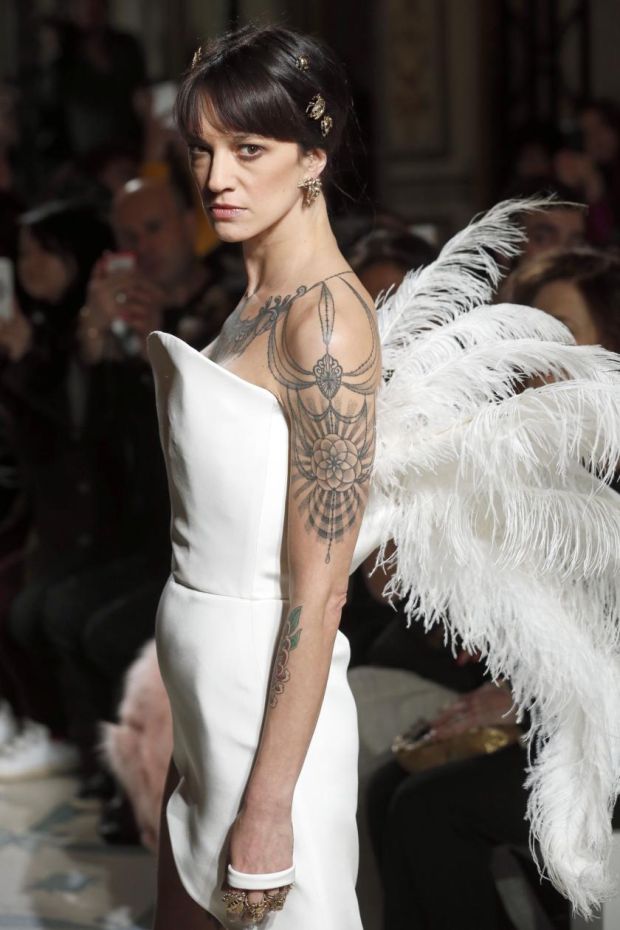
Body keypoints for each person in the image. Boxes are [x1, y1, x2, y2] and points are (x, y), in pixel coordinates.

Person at [149, 24, 620, 930]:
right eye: (204, 150)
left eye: (250, 149)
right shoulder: (257, 302)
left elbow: (316, 596)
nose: (218, 178)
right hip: (209, 699)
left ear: (314, 156)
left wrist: (267, 810)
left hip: (264, 713)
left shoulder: (324, 324)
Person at [366, 245, 620, 930]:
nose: (542, 358)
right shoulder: (551, 463)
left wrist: (516, 705)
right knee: (392, 785)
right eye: (535, 333)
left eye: (565, 331)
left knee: (430, 811)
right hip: (568, 718)